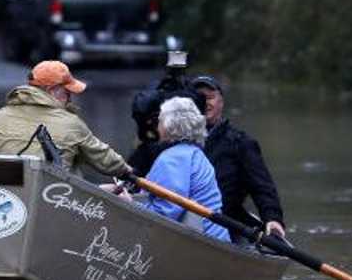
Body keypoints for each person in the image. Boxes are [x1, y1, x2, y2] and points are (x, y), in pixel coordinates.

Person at [0, 60, 131, 177]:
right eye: (67, 92)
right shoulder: (70, 123)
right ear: (51, 91)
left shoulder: (2, 115)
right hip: (52, 200)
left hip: (9, 195)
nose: (70, 98)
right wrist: (128, 171)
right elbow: (107, 161)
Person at [188, 75, 286, 240]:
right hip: (182, 217)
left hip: (225, 223)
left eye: (210, 97)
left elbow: (262, 187)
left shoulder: (241, 144)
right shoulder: (174, 140)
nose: (205, 103)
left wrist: (273, 218)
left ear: (221, 102)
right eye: (199, 98)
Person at [121, 96, 231, 242]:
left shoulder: (172, 158)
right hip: (217, 237)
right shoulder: (194, 152)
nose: (157, 125)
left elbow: (166, 211)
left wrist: (130, 205)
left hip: (203, 244)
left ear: (170, 125)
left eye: (160, 120)